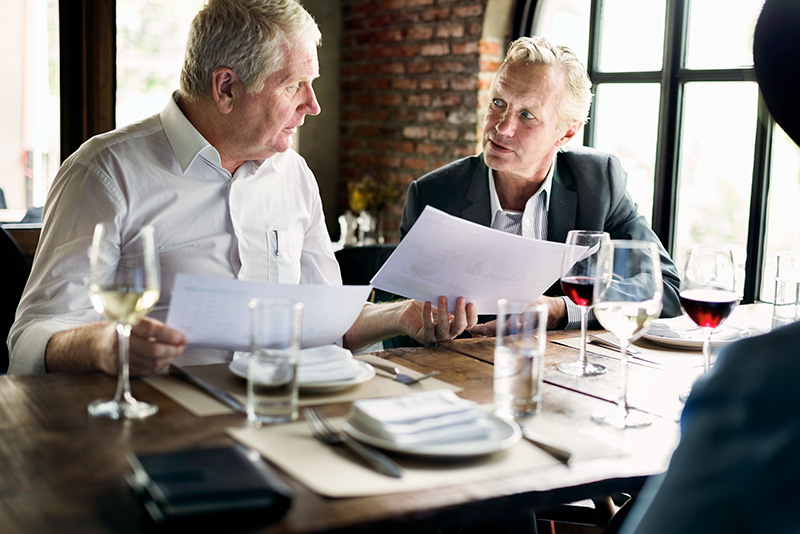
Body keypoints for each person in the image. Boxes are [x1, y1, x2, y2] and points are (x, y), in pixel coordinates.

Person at [7, 0, 476, 376]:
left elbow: (328, 325)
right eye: (295, 86)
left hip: (288, 419)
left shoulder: (294, 174)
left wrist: (404, 317)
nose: (312, 106)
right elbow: (30, 336)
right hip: (160, 427)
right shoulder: (105, 172)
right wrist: (105, 345)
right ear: (226, 88)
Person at [401, 36, 681, 331]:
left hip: (568, 369)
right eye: (498, 103)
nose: (502, 127)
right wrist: (426, 330)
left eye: (527, 115)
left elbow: (664, 289)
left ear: (566, 134)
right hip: (460, 368)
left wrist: (561, 309)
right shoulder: (432, 195)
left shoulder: (598, 182)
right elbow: (397, 320)